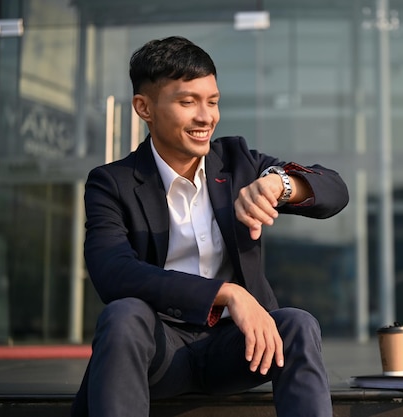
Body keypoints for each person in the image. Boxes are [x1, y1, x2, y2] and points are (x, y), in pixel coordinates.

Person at [71, 36, 349, 417]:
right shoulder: (112, 182)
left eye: (212, 101)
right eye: (188, 102)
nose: (206, 117)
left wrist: (279, 184)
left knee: (298, 324)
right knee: (123, 317)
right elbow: (113, 273)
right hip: (158, 352)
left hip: (238, 351)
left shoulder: (237, 163)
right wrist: (227, 293)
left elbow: (334, 190)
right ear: (144, 108)